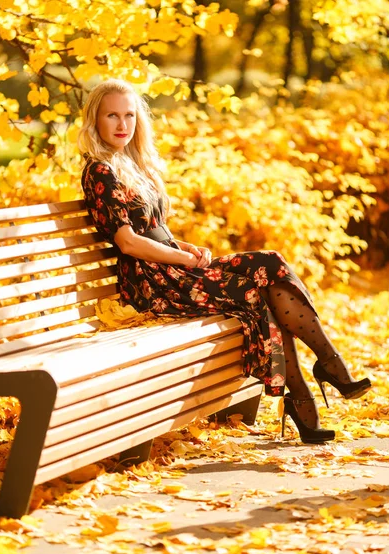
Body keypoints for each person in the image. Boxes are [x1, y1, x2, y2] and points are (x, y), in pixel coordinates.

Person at [78, 78, 372, 444]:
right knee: (262, 281)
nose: (122, 124)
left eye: (129, 115)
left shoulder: (131, 164)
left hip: (171, 267)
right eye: (112, 116)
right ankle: (323, 374)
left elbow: (154, 228)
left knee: (270, 269)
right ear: (96, 120)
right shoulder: (100, 171)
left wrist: (186, 248)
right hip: (154, 283)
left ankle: (313, 384)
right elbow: (128, 242)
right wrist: (183, 259)